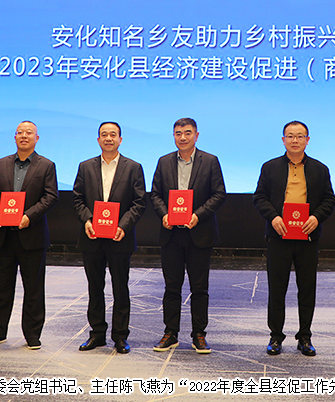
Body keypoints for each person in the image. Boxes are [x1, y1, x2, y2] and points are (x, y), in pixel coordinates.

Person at [253, 121, 335, 356]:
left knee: (307, 288)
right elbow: (259, 197)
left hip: (307, 236)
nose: (295, 140)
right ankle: (276, 336)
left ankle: (305, 337)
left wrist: (316, 218)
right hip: (279, 235)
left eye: (300, 136)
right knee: (277, 288)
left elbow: (329, 200)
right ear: (283, 140)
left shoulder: (320, 169)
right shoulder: (270, 167)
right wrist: (273, 217)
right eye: (290, 136)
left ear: (307, 140)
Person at [150, 118, 226, 354]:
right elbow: (155, 194)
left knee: (199, 288)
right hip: (171, 234)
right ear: (173, 135)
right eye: (178, 133)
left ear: (196, 135)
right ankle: (170, 333)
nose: (182, 137)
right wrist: (164, 214)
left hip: (199, 233)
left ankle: (199, 334)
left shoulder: (210, 161)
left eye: (187, 133)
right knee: (171, 287)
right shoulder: (164, 162)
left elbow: (218, 194)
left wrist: (198, 215)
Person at [0, 121, 58, 350]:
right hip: (4, 236)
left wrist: (29, 217)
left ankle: (32, 335)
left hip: (32, 235)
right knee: (2, 287)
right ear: (15, 137)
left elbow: (50, 197)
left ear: (37, 138)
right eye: (20, 132)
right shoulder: (1, 163)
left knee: (33, 288)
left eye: (29, 133)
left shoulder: (46, 165)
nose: (24, 136)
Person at [72, 122, 147, 354]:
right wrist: (87, 220)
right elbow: (77, 199)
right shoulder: (85, 166)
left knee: (120, 288)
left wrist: (123, 226)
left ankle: (120, 337)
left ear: (120, 139)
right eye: (104, 135)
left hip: (119, 237)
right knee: (95, 287)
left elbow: (139, 202)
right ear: (98, 140)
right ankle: (97, 334)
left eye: (113, 135)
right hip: (92, 236)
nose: (108, 138)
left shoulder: (133, 167)